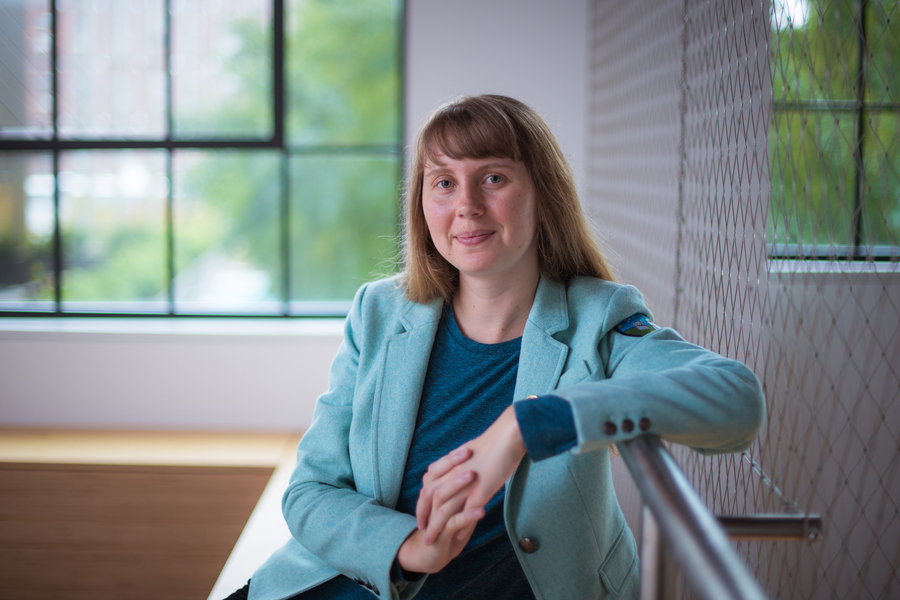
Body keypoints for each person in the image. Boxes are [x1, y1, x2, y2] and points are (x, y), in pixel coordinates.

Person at [225, 94, 765, 600]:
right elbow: (311, 492)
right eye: (443, 183)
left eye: (493, 177)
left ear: (541, 194)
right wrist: (411, 548)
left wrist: (530, 424)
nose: (467, 205)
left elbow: (736, 400)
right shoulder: (378, 313)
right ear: (422, 203)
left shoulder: (600, 318)